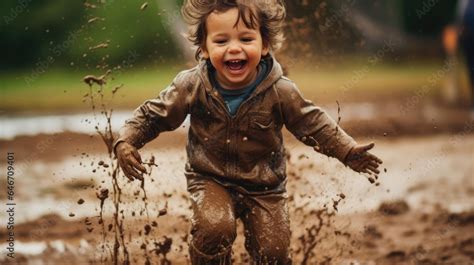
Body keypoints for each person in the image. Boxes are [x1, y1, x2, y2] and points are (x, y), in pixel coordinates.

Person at [114, 0, 382, 264]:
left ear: (264, 45)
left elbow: (312, 123)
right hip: (209, 178)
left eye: (245, 39)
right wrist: (126, 141)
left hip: (266, 186)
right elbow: (153, 115)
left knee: (274, 251)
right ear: (204, 49)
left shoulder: (281, 91)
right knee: (215, 229)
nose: (234, 48)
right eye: (221, 41)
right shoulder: (191, 85)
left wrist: (347, 151)